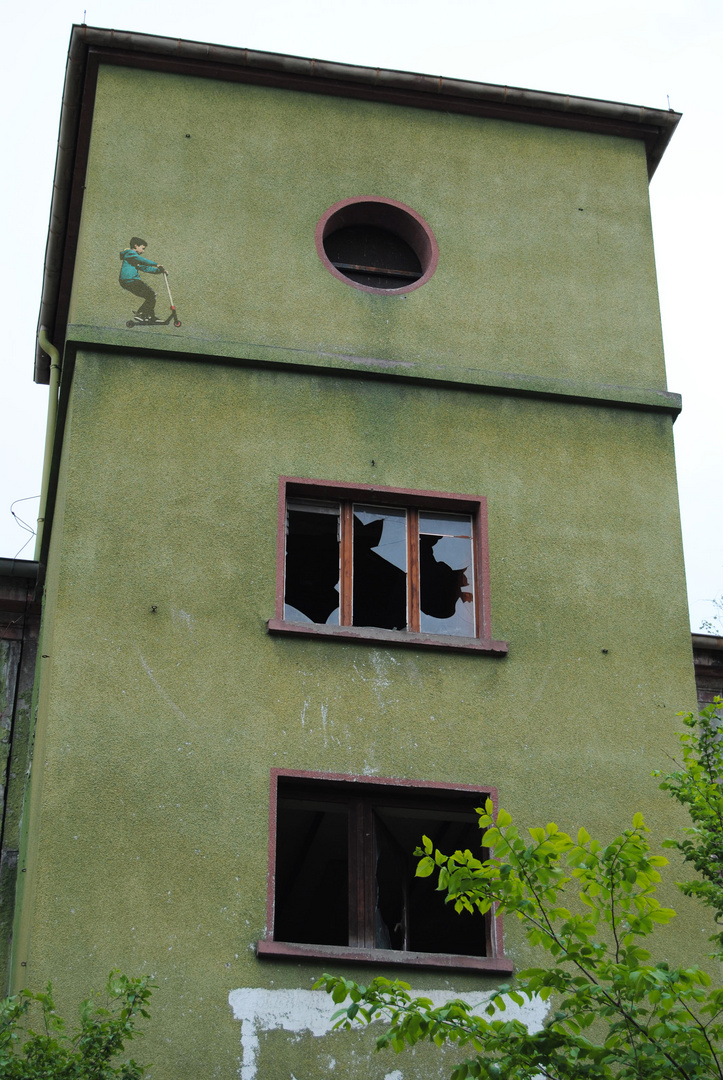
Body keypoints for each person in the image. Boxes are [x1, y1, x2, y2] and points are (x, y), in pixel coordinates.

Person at [119, 237, 166, 322]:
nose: (143, 251)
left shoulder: (134, 258)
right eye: (143, 248)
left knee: (151, 296)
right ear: (136, 246)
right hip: (130, 280)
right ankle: (141, 313)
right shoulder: (130, 253)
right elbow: (143, 260)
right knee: (152, 294)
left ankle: (150, 316)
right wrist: (156, 264)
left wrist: (159, 271)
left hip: (129, 281)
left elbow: (145, 268)